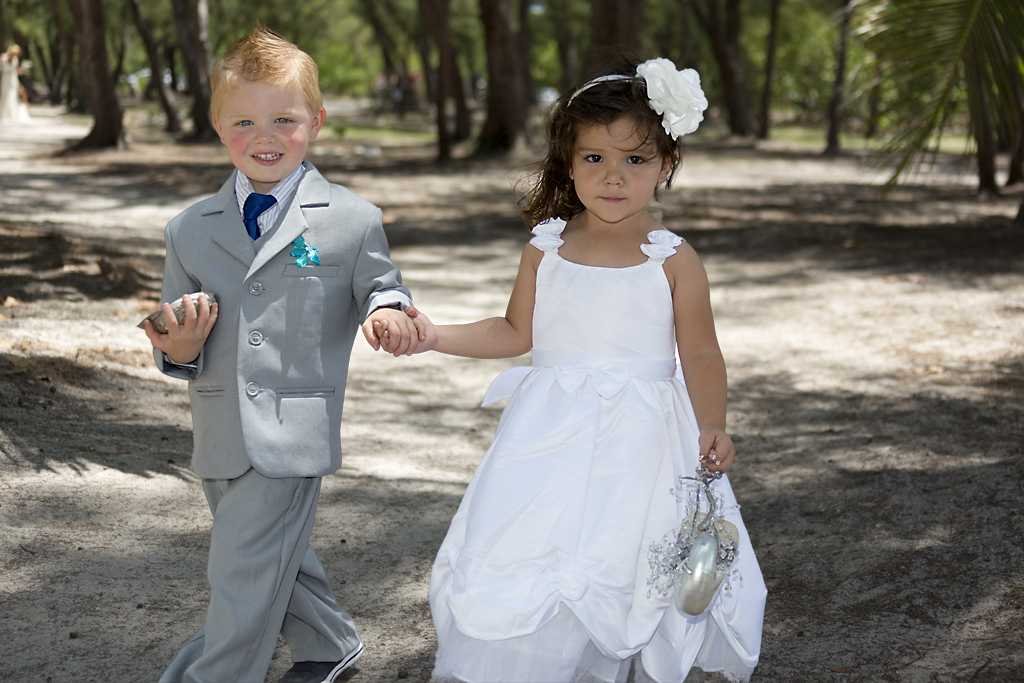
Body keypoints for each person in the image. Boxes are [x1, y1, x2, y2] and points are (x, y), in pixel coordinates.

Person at [388, 58, 767, 682]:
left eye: (635, 160)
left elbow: (700, 351)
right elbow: (513, 333)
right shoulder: (547, 247)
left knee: (624, 552)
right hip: (549, 436)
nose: (613, 176)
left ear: (667, 166)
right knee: (537, 548)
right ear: (568, 163)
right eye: (594, 159)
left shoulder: (673, 259)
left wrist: (713, 422)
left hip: (644, 439)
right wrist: (434, 336)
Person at [142, 25, 424, 683]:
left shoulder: (351, 219)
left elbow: (384, 286)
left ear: (316, 123)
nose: (263, 136)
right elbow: (173, 328)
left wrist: (387, 313)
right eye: (243, 120)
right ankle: (330, 640)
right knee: (272, 555)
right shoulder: (188, 230)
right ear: (217, 126)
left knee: (239, 568)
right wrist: (176, 348)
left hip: (294, 427)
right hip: (218, 428)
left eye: (284, 119)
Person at [0, 45, 30, 122]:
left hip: (13, 79)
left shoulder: (15, 59)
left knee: (12, 95)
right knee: (5, 95)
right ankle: (4, 114)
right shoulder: (3, 57)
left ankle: (12, 114)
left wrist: (23, 71)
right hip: (5, 79)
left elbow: (15, 70)